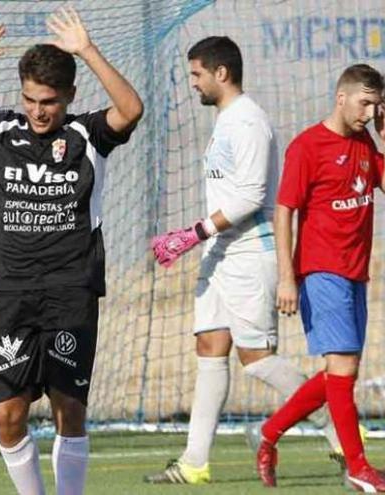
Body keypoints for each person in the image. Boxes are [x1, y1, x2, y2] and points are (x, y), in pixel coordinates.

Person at [0, 7, 143, 494]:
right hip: (13, 292)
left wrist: (87, 50)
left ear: (69, 97)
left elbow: (130, 109)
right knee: (7, 415)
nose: (38, 110)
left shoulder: (86, 135)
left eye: (49, 101)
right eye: (30, 99)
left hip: (71, 291)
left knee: (70, 410)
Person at [145, 37, 345, 485]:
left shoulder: (248, 121)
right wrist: (200, 238)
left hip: (252, 251)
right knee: (210, 348)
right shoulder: (226, 121)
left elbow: (255, 194)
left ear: (221, 73)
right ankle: (194, 462)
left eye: (196, 74)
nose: (192, 82)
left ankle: (338, 430)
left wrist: (192, 233)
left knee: (256, 358)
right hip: (221, 252)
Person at [254, 64, 385, 491]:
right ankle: (358, 467)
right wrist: (287, 278)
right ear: (341, 97)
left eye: (376, 105)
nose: (369, 112)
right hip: (320, 271)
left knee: (338, 374)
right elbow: (284, 211)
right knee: (342, 367)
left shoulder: (367, 141)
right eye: (365, 103)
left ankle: (270, 433)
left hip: (355, 273)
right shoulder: (307, 146)